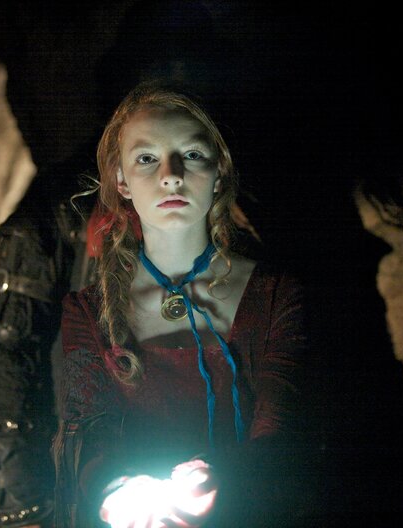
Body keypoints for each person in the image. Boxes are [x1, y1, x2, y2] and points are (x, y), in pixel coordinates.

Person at [51, 81, 309, 528]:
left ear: (219, 171)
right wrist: (118, 489)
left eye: (190, 154)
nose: (171, 175)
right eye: (146, 159)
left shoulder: (274, 294)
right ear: (120, 179)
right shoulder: (89, 311)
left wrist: (224, 479)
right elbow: (89, 434)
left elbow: (282, 430)